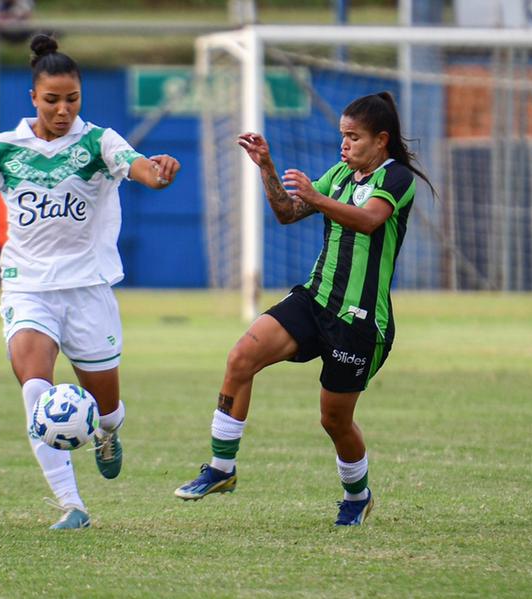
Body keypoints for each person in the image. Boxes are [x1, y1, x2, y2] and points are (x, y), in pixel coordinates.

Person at [0, 34, 180, 530]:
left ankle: (107, 432)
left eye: (72, 99)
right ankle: (72, 505)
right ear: (33, 98)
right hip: (27, 288)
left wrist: (161, 172)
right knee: (35, 392)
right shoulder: (3, 149)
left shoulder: (98, 141)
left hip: (88, 290)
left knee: (106, 408)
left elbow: (142, 170)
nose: (63, 110)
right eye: (52, 100)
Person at [173, 91, 433, 526]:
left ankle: (357, 494)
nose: (344, 145)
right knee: (241, 357)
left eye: (354, 137)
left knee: (334, 420)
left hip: (359, 321)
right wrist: (267, 167)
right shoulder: (340, 174)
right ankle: (222, 468)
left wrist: (315, 197)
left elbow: (368, 221)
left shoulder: (396, 179)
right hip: (315, 299)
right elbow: (287, 213)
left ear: (381, 140)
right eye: (342, 136)